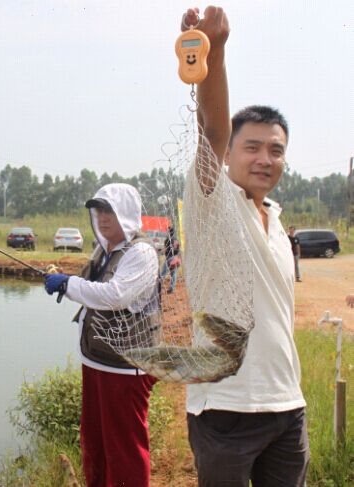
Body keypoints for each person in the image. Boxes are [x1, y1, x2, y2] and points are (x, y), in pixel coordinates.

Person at [181, 6, 309, 486]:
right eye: (251, 147)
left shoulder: (275, 219)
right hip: (226, 408)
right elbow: (212, 130)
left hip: (287, 406)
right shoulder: (214, 203)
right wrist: (214, 53)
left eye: (276, 150)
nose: (264, 159)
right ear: (229, 156)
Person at [44, 183, 160, 487]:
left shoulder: (141, 253)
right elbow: (89, 288)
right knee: (95, 441)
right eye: (98, 210)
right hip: (97, 359)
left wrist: (68, 284)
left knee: (125, 447)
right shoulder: (105, 250)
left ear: (127, 213)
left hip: (126, 366)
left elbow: (115, 295)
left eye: (110, 210)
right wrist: (64, 282)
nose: (103, 217)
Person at [160, 226, 181, 293]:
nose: (166, 232)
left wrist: (161, 252)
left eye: (167, 231)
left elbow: (165, 249)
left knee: (163, 273)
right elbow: (178, 250)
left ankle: (158, 287)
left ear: (169, 232)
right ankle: (172, 288)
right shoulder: (176, 239)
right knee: (173, 274)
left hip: (169, 258)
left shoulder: (167, 240)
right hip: (175, 258)